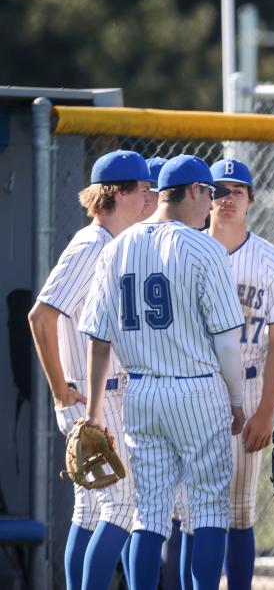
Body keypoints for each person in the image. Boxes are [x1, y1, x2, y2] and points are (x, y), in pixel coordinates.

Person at [79, 154, 246, 590]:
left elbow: (98, 339)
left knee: (148, 512)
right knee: (208, 509)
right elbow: (228, 340)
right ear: (193, 191)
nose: (212, 203)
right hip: (197, 389)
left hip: (142, 392)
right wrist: (235, 399)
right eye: (210, 193)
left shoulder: (117, 247)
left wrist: (95, 412)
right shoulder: (206, 248)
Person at [29, 150, 151, 590]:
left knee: (91, 509)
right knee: (121, 507)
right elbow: (40, 316)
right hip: (91, 397)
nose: (148, 199)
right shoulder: (92, 244)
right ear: (117, 193)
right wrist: (61, 390)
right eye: (142, 190)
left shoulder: (109, 243)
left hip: (100, 393)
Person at [200, 158, 274, 589]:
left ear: (252, 199)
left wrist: (266, 412)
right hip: (196, 385)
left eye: (236, 190)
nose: (227, 199)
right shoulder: (188, 248)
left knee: (239, 511)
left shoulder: (272, 263)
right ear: (205, 196)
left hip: (252, 380)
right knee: (190, 513)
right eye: (219, 190)